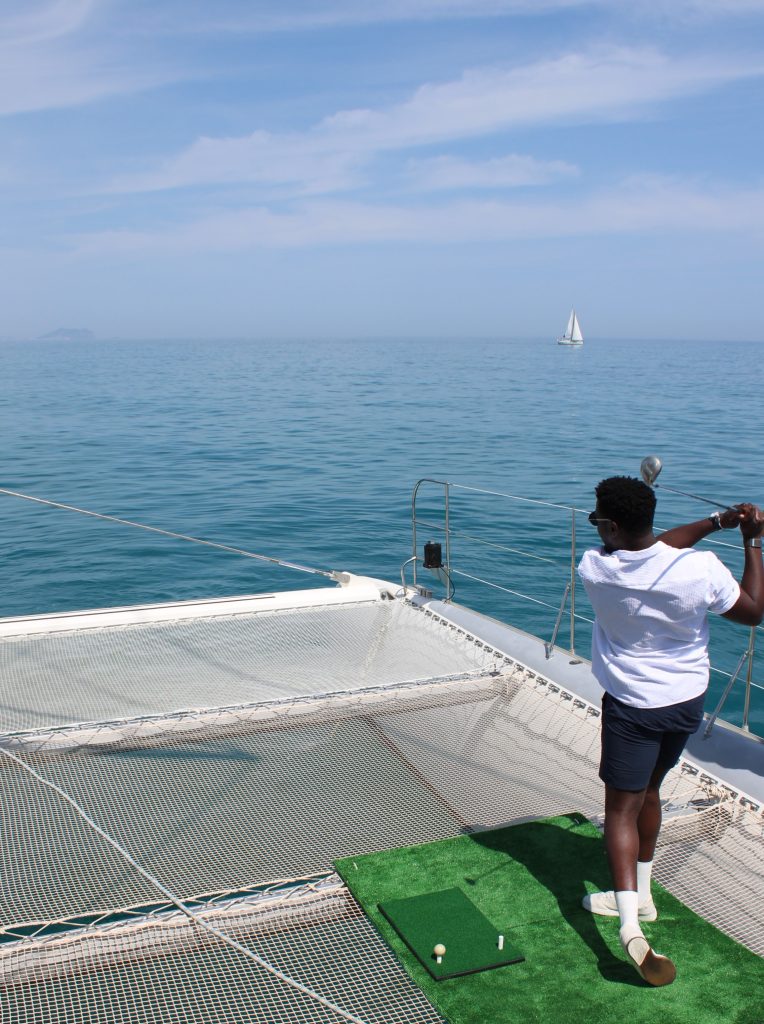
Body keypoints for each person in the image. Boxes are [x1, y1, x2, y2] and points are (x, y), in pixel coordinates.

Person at [577, 476, 764, 986]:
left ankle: (630, 927)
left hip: (632, 707)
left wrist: (716, 522)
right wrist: (749, 539)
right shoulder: (700, 569)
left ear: (611, 527)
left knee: (621, 809)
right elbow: (753, 611)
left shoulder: (594, 567)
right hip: (685, 704)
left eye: (597, 520)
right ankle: (644, 895)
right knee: (651, 790)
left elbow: (652, 548)